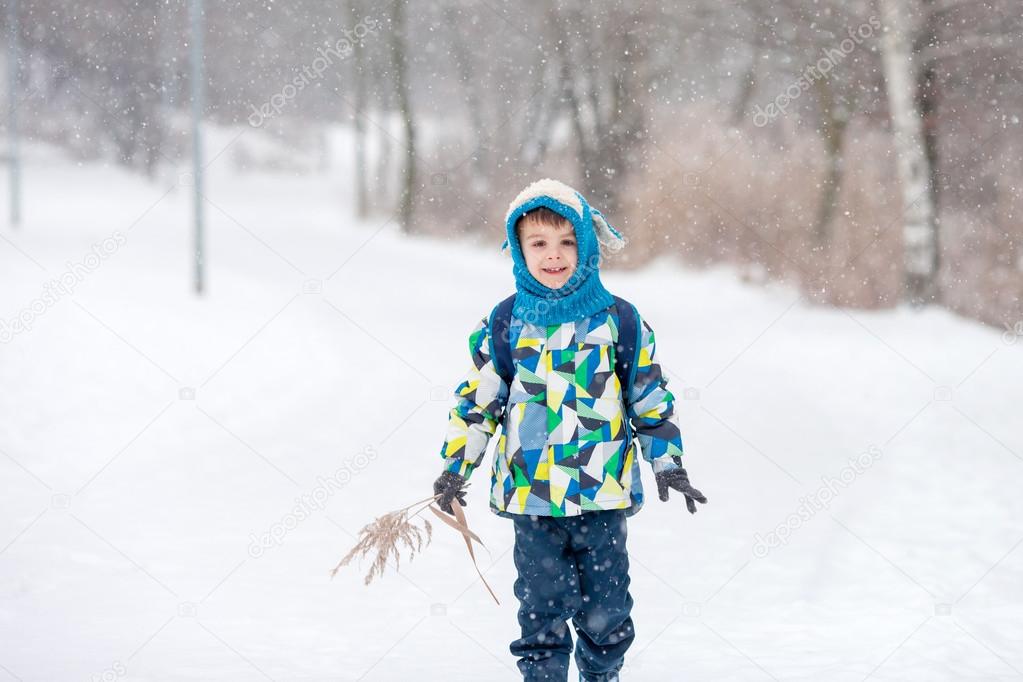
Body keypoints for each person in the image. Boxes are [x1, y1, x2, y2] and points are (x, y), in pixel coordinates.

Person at [432, 178, 707, 682]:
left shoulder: (618, 320)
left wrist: (667, 462)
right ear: (519, 249)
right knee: (541, 614)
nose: (553, 256)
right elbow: (479, 403)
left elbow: (648, 396)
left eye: (566, 242)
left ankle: (602, 674)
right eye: (538, 244)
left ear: (586, 243)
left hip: (601, 494)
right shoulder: (505, 323)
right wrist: (456, 467)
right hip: (531, 498)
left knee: (608, 617)